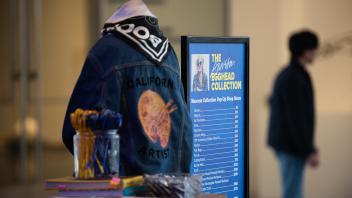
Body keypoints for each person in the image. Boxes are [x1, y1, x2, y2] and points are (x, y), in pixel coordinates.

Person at [62, 0, 192, 176]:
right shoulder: (169, 53)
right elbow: (184, 132)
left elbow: (75, 129)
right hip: (169, 187)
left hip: (122, 185)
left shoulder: (106, 51)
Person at [268, 30, 320, 198]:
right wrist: (309, 150)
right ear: (305, 51)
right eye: (313, 49)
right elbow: (296, 120)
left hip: (291, 145)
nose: (316, 53)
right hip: (291, 147)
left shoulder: (291, 74)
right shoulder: (294, 77)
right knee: (292, 193)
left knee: (293, 191)